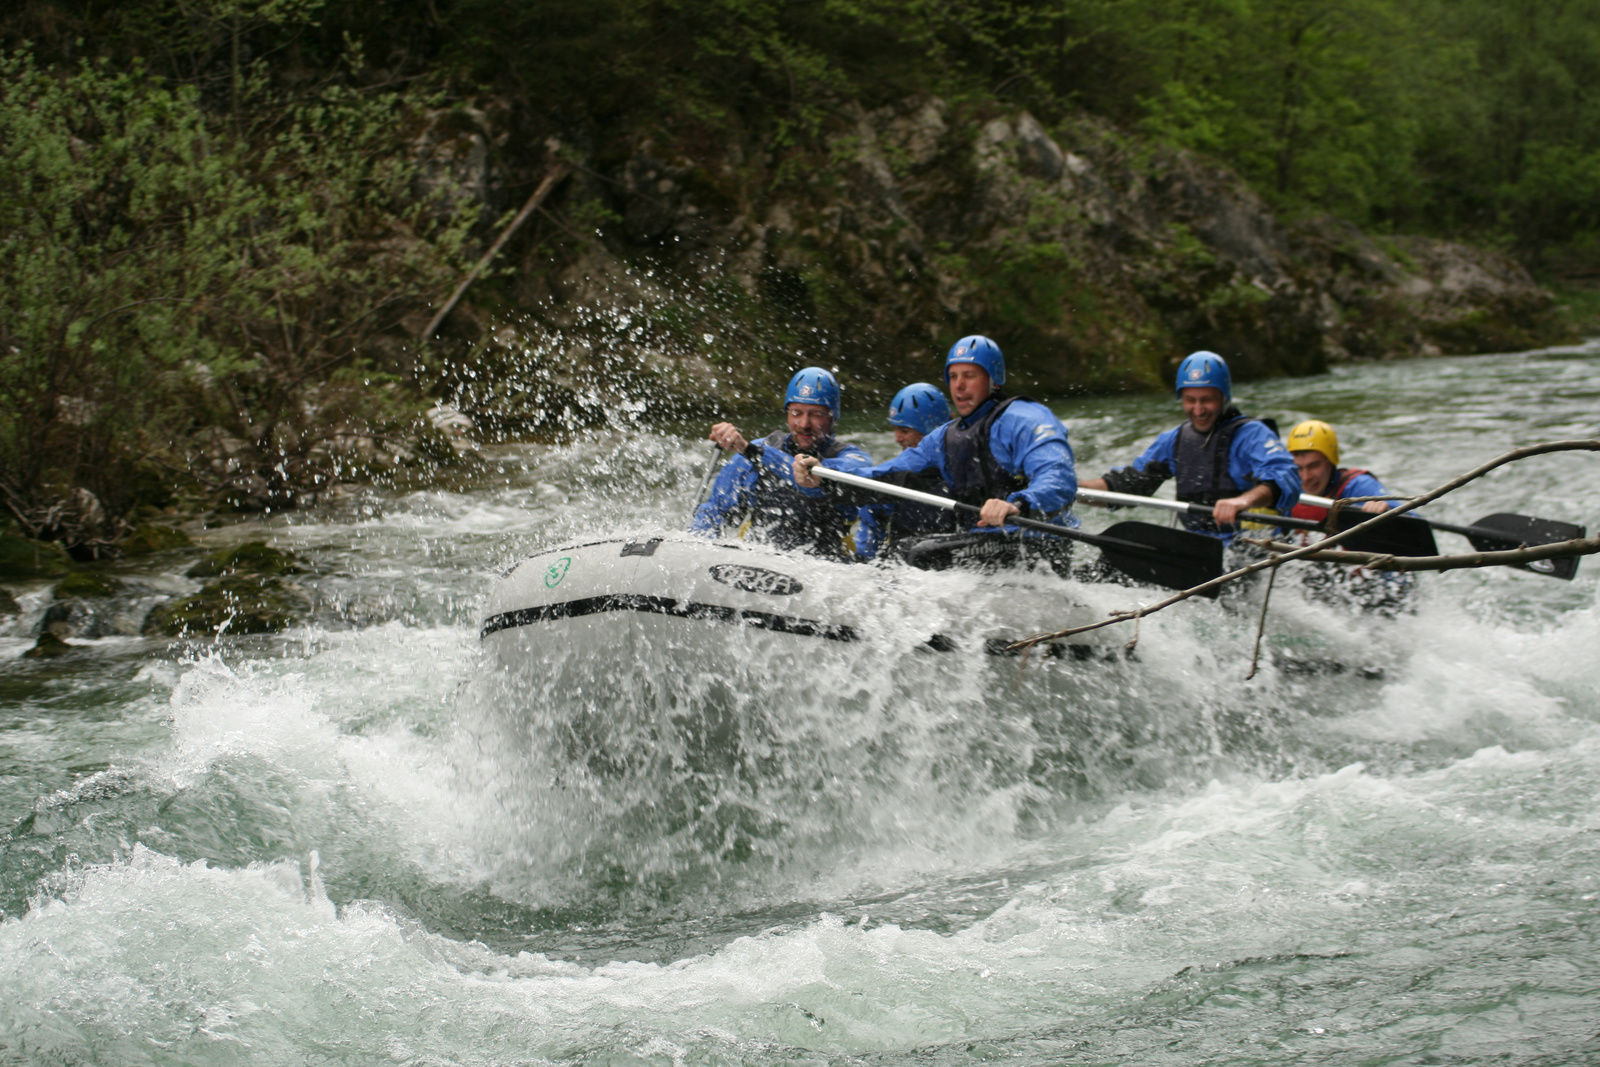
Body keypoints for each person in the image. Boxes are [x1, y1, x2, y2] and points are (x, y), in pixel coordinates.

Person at [797, 335, 1078, 570]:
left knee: (917, 553)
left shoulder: (1025, 418)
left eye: (970, 375)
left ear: (994, 381)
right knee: (896, 557)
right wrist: (826, 477)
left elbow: (1058, 476)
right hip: (983, 541)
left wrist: (1018, 504)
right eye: (953, 376)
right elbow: (889, 475)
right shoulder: (945, 437)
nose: (959, 385)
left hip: (1035, 538)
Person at [1078, 351, 1299, 542]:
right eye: (1190, 400)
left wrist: (1243, 501)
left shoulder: (1252, 435)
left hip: (1250, 547)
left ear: (1224, 397)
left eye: (1207, 399)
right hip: (1199, 547)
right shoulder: (1174, 440)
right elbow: (1128, 485)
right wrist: (1074, 490)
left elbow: (1286, 477)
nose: (1198, 409)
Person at [691, 367, 872, 558]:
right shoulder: (757, 450)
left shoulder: (852, 459)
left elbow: (812, 482)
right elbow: (714, 512)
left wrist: (752, 451)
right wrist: (696, 549)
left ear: (833, 417)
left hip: (825, 567)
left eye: (816, 414)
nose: (804, 424)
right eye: (796, 413)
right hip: (760, 557)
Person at [854, 383, 953, 561]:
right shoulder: (896, 476)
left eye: (905, 431)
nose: (897, 438)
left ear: (931, 430)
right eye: (895, 429)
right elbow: (871, 520)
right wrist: (863, 559)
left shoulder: (963, 471)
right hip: (907, 566)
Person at [1284, 420, 1394, 520]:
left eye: (1314, 466)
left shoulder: (1359, 486)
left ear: (1331, 462)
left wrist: (1383, 510)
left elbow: (1408, 520)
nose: (1306, 477)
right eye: (1298, 468)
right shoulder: (1288, 489)